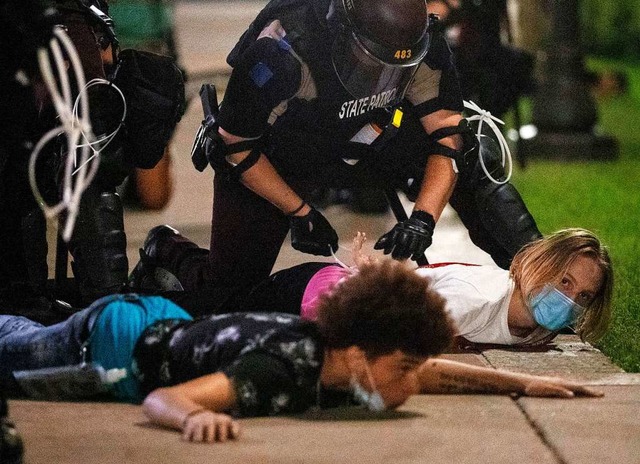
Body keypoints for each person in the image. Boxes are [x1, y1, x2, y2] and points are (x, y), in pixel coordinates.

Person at [137, 0, 542, 293]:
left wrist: (423, 219)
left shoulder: (422, 41)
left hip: (372, 137)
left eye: (395, 68)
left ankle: (541, 272)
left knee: (473, 152)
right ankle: (166, 248)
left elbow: (447, 133)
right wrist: (298, 210)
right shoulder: (281, 50)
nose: (383, 74)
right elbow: (234, 144)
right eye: (373, 61)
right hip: (277, 157)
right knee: (227, 295)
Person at [0, 261, 600, 443]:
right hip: (114, 346)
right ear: (362, 356)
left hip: (168, 323)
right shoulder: (278, 370)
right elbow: (163, 397)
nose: (416, 382)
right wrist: (195, 415)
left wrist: (521, 383)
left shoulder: (346, 356)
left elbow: (434, 369)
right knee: (15, 353)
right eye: (404, 369)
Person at [191, 228, 613, 347]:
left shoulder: (542, 327)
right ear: (537, 264)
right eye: (563, 281)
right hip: (328, 299)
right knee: (205, 320)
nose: (568, 299)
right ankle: (169, 254)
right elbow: (404, 346)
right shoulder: (476, 298)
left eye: (582, 296)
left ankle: (173, 256)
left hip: (351, 301)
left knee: (219, 304)